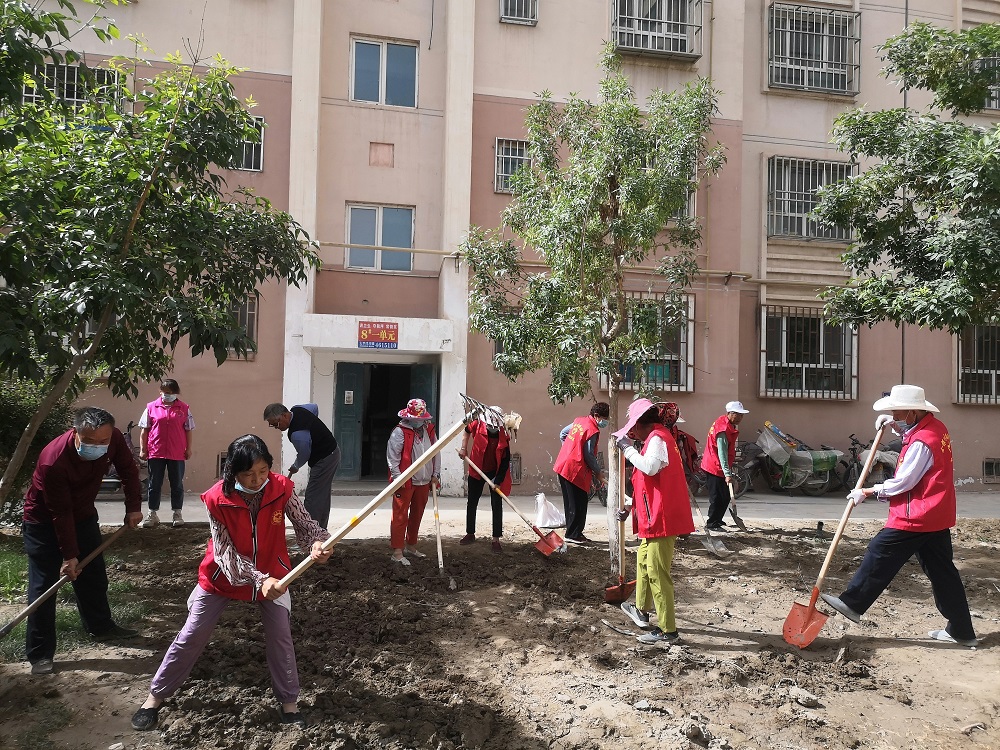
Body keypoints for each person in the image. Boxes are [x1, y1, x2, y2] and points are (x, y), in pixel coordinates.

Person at [130, 434, 333, 731]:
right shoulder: (217, 498)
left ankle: (289, 703)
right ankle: (155, 697)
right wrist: (259, 579)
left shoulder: (282, 489)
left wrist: (318, 543)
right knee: (192, 634)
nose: (257, 480)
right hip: (222, 576)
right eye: (248, 474)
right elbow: (225, 553)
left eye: (263, 471)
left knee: (280, 637)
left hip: (274, 576)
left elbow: (305, 524)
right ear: (233, 472)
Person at [821, 385, 978, 648]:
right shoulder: (935, 428)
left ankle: (853, 603)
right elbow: (912, 436)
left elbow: (905, 481)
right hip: (936, 513)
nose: (894, 416)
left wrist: (869, 491)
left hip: (917, 513)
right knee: (942, 572)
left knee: (880, 550)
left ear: (913, 413)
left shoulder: (922, 442)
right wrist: (894, 425)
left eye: (897, 413)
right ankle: (962, 631)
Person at [22, 407, 143, 675]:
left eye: (103, 441)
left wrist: (133, 506)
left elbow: (128, 469)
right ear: (75, 432)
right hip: (44, 523)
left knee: (94, 576)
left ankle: (101, 627)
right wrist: (69, 556)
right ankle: (40, 653)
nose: (97, 446)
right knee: (44, 587)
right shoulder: (53, 461)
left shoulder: (114, 438)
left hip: (84, 515)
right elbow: (60, 513)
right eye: (89, 441)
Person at [613, 399, 695, 644]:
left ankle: (668, 631)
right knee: (643, 561)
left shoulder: (658, 439)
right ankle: (641, 609)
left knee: (658, 573)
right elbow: (646, 482)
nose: (633, 434)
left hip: (661, 518)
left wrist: (627, 450)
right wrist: (630, 506)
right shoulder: (655, 439)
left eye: (633, 428)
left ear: (640, 424)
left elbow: (649, 468)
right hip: (653, 517)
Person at [263, 402, 341, 529]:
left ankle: (310, 532)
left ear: (284, 416)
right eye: (273, 425)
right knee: (322, 493)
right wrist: (314, 428)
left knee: (313, 496)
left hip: (325, 458)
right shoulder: (298, 409)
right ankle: (320, 529)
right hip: (332, 451)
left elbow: (304, 454)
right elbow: (314, 407)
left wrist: (296, 466)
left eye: (276, 424)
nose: (276, 427)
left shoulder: (297, 434)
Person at [386, 398, 441, 565]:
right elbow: (393, 457)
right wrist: (398, 477)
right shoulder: (399, 432)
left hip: (424, 481)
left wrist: (436, 473)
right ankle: (397, 551)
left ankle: (411, 545)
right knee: (400, 515)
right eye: (416, 419)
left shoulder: (429, 430)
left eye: (421, 419)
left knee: (417, 514)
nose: (419, 421)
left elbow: (436, 452)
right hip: (406, 481)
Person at [138, 379, 195, 528]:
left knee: (177, 484)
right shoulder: (151, 407)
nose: (167, 395)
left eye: (171, 392)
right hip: (156, 451)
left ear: (176, 393)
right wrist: (143, 449)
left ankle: (177, 513)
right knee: (154, 483)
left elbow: (188, 430)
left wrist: (188, 448)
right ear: (160, 391)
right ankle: (152, 513)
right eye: (165, 392)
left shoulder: (184, 408)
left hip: (177, 453)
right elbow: (144, 430)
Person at [553, 402, 610, 544]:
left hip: (563, 464)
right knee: (579, 502)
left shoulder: (579, 421)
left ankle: (573, 532)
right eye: (604, 419)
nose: (605, 422)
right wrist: (598, 471)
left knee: (570, 502)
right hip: (574, 469)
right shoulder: (592, 430)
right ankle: (573, 534)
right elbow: (589, 454)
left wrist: (569, 450)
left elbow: (563, 434)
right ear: (596, 416)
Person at [457, 408, 511, 553]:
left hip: (495, 471)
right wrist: (463, 448)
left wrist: (498, 480)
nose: (492, 428)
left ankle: (496, 539)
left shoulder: (504, 434)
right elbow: (466, 431)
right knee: (472, 501)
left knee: (496, 504)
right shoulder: (477, 424)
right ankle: (470, 533)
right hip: (476, 468)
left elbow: (505, 459)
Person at [700, 400, 749, 531]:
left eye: (742, 415)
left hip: (720, 465)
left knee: (726, 495)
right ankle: (712, 523)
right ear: (730, 413)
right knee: (717, 497)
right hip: (714, 466)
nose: (740, 418)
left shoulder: (725, 422)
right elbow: (722, 453)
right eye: (738, 414)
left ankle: (718, 519)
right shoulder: (722, 429)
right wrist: (727, 473)